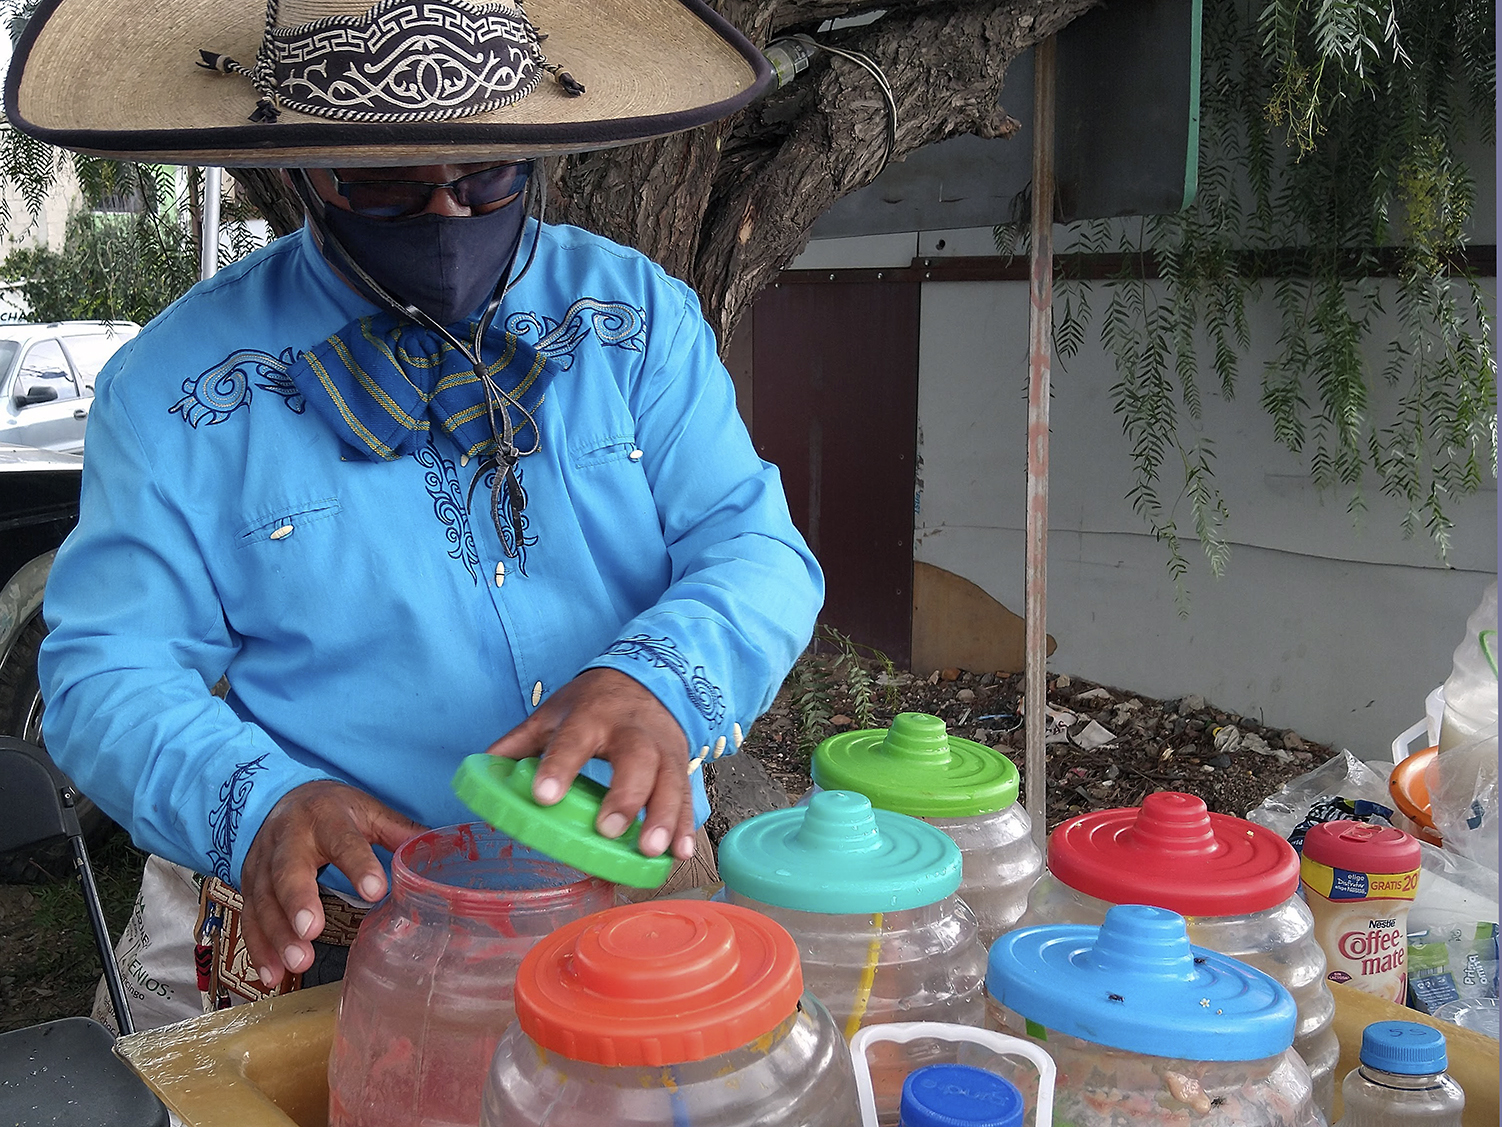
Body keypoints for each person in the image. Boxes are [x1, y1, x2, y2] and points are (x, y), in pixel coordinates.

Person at [8, 0, 821, 1024]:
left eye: (485, 174)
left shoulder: (633, 319)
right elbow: (103, 671)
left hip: (636, 905)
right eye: (385, 182)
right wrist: (256, 799)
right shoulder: (177, 387)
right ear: (301, 168)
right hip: (354, 950)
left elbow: (752, 542)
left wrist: (659, 678)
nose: (445, 215)